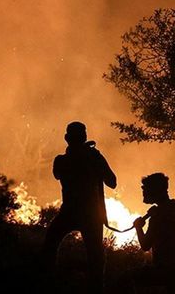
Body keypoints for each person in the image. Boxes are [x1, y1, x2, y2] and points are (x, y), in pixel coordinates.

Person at [41, 121, 117, 293]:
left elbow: (111, 182)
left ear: (66, 138)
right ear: (84, 137)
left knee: (50, 246)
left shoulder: (63, 160)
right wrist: (92, 160)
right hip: (88, 215)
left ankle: (48, 283)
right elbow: (112, 182)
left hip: (72, 213)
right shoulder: (88, 157)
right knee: (96, 257)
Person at [131, 172, 175, 294]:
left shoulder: (158, 215)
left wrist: (138, 227)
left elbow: (145, 245)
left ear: (155, 190)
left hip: (166, 271)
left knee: (127, 279)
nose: (143, 191)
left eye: (146, 189)